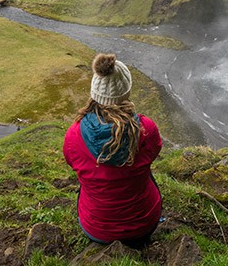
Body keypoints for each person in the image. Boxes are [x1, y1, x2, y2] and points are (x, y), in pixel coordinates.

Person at [63, 53, 162, 249]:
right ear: (126, 92)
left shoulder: (74, 135)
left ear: (94, 93)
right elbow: (154, 151)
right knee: (147, 173)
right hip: (144, 225)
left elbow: (71, 161)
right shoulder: (146, 129)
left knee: (85, 184)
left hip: (96, 229)